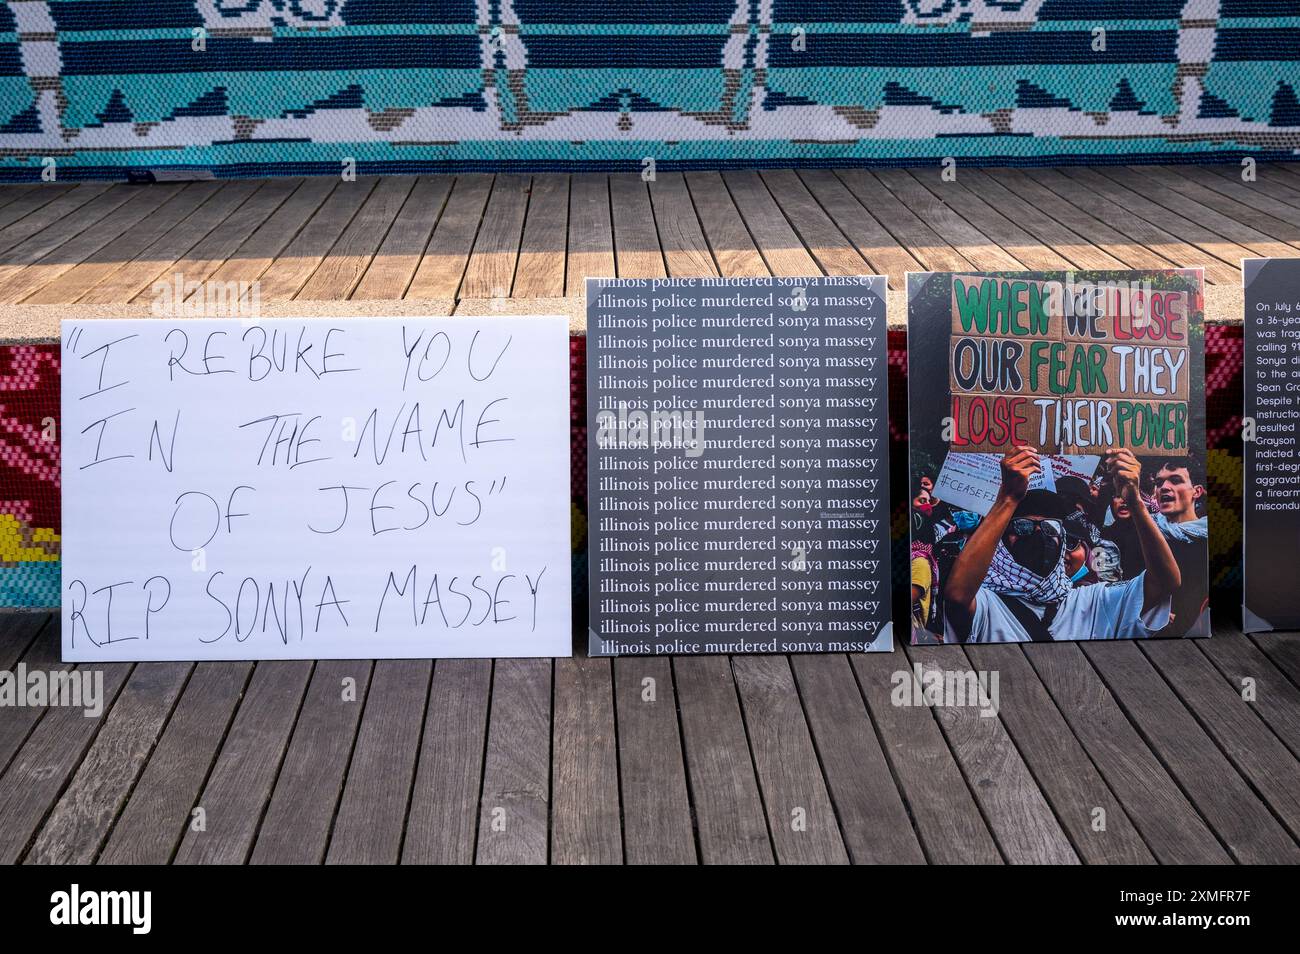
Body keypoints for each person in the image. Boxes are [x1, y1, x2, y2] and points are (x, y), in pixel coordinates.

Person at [942, 446, 1180, 643]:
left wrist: (1134, 500)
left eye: (1050, 528)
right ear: (1003, 543)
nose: (1038, 534)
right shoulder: (987, 605)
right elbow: (957, 595)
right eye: (1023, 527)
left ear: (1062, 539)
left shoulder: (1093, 603)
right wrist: (1007, 498)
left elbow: (1165, 581)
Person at [1150, 458, 1210, 638]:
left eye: (1175, 481)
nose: (1164, 487)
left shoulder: (1206, 542)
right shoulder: (1145, 532)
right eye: (1159, 483)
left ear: (1196, 491)